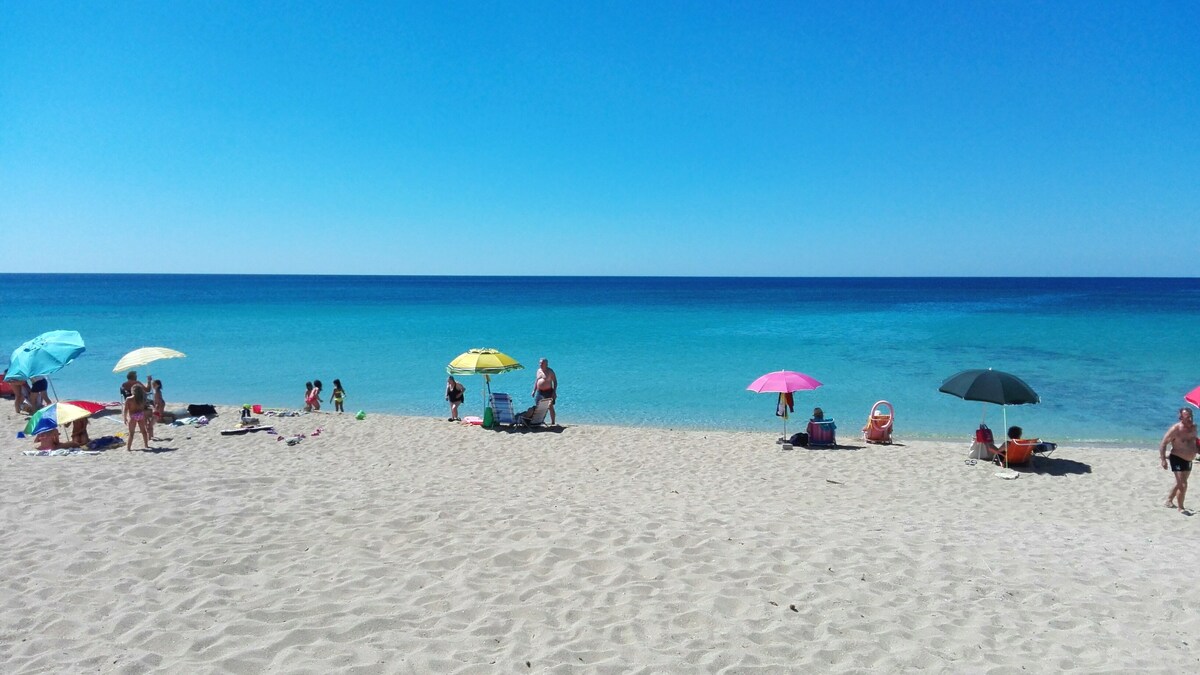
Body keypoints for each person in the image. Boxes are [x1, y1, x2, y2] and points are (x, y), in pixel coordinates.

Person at [1160, 407, 1199, 513]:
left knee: (1180, 482)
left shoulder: (1195, 427)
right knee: (1183, 484)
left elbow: (1195, 442)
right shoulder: (1176, 429)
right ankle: (1180, 507)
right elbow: (1163, 443)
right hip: (1176, 458)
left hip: (1189, 459)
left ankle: (1168, 500)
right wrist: (1163, 459)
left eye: (1191, 416)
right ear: (1181, 417)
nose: (1190, 419)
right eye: (1187, 417)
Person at [124, 385, 151, 451]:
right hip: (141, 415)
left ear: (132, 391)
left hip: (133, 416)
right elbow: (144, 408)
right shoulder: (142, 399)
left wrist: (125, 418)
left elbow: (125, 410)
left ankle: (128, 448)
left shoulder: (129, 399)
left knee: (131, 433)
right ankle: (146, 445)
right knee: (144, 431)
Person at [532, 358, 558, 425]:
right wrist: (534, 390)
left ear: (546, 364)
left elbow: (555, 382)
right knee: (538, 407)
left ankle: (553, 422)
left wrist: (554, 392)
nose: (540, 364)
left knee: (550, 407)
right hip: (539, 391)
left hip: (548, 391)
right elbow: (536, 381)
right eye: (540, 363)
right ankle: (539, 421)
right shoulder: (538, 371)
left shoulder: (550, 371)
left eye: (542, 363)